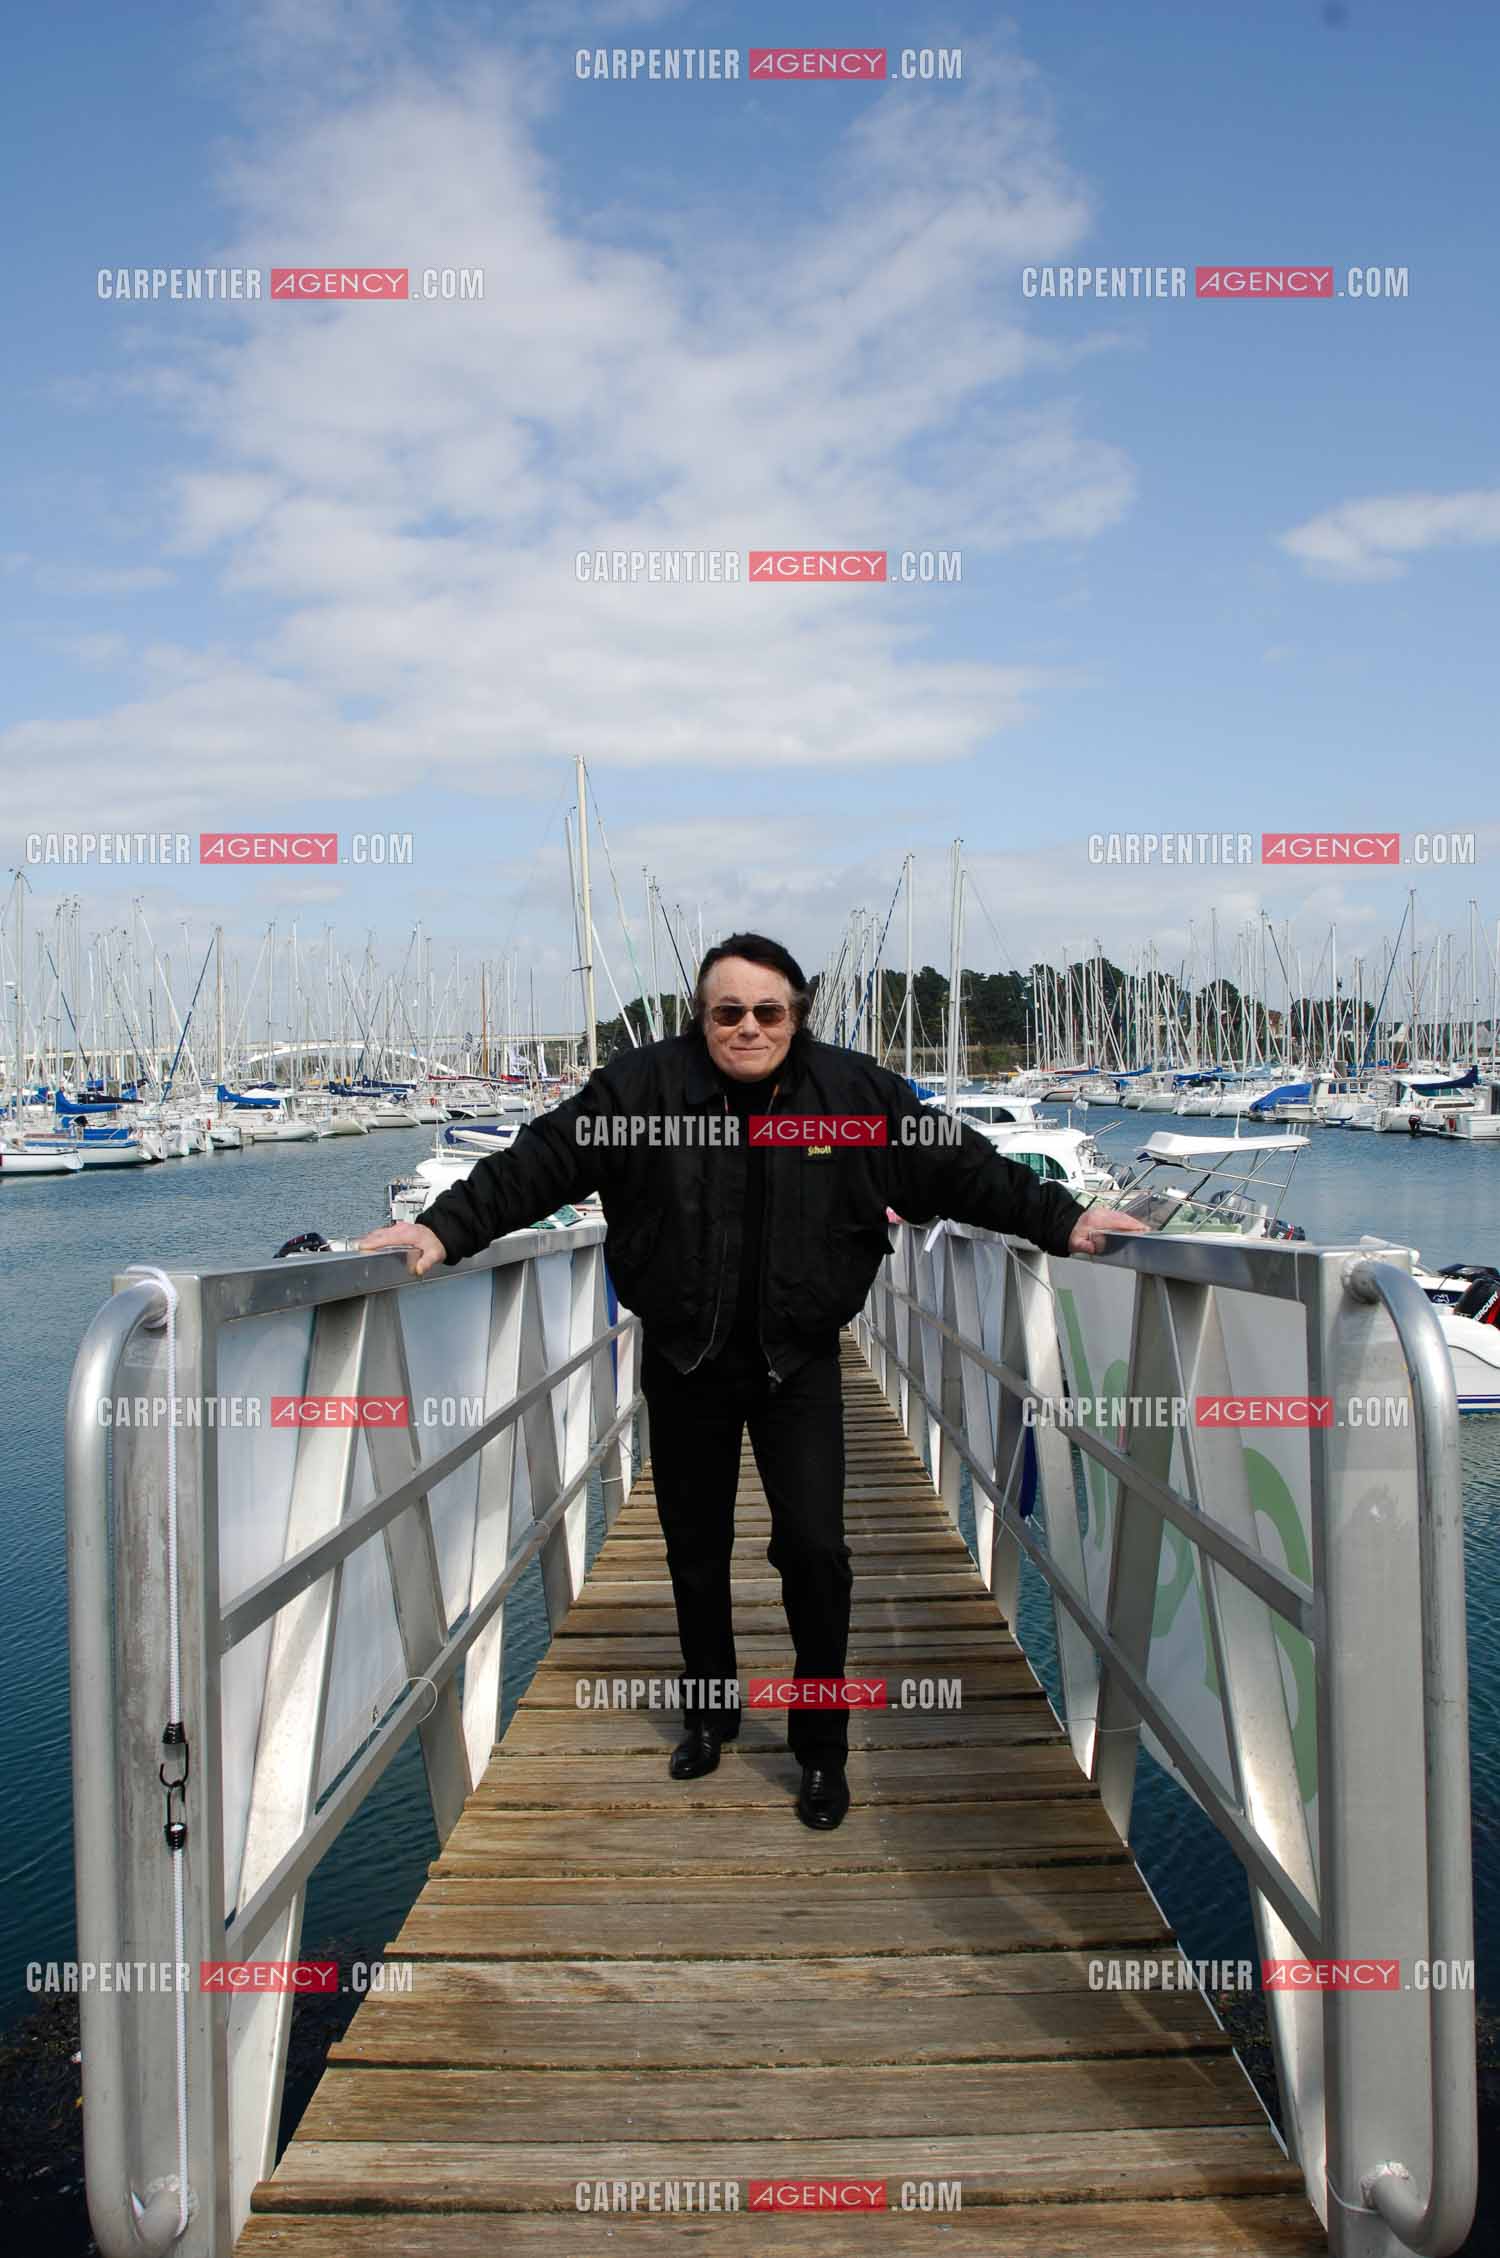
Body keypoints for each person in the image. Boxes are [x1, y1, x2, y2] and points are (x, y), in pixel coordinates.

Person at [359, 932, 1147, 1830]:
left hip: (797, 1360)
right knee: (695, 1555)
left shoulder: (853, 1097)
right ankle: (710, 1710)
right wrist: (442, 1229)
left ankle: (821, 1749)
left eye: (767, 1011)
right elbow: (539, 1163)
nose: (746, 1027)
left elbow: (960, 1167)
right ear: (701, 1020)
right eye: (726, 1012)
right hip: (684, 1359)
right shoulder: (643, 1092)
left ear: (796, 1016)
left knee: (816, 1555)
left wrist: (1068, 1220)